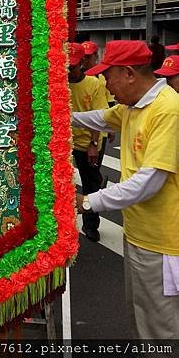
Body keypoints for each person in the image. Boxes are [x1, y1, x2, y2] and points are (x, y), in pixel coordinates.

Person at [73, 40, 179, 339]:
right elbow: (98, 118)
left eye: (109, 76)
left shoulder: (167, 109)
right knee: (140, 318)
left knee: (161, 330)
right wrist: (55, 118)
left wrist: (89, 201)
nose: (106, 84)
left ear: (130, 73)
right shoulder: (132, 106)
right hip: (138, 235)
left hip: (162, 244)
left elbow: (149, 182)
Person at [68, 42, 108, 242]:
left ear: (82, 62)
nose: (69, 71)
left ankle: (91, 225)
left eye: (73, 67)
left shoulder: (94, 84)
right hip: (66, 143)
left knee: (90, 185)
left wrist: (94, 144)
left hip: (88, 144)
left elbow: (99, 117)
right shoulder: (59, 82)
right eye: (66, 67)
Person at [82, 41, 115, 174]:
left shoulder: (103, 76)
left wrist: (111, 127)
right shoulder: (78, 75)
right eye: (83, 57)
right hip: (81, 129)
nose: (85, 60)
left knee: (94, 166)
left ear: (96, 55)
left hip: (100, 128)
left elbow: (110, 103)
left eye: (88, 56)